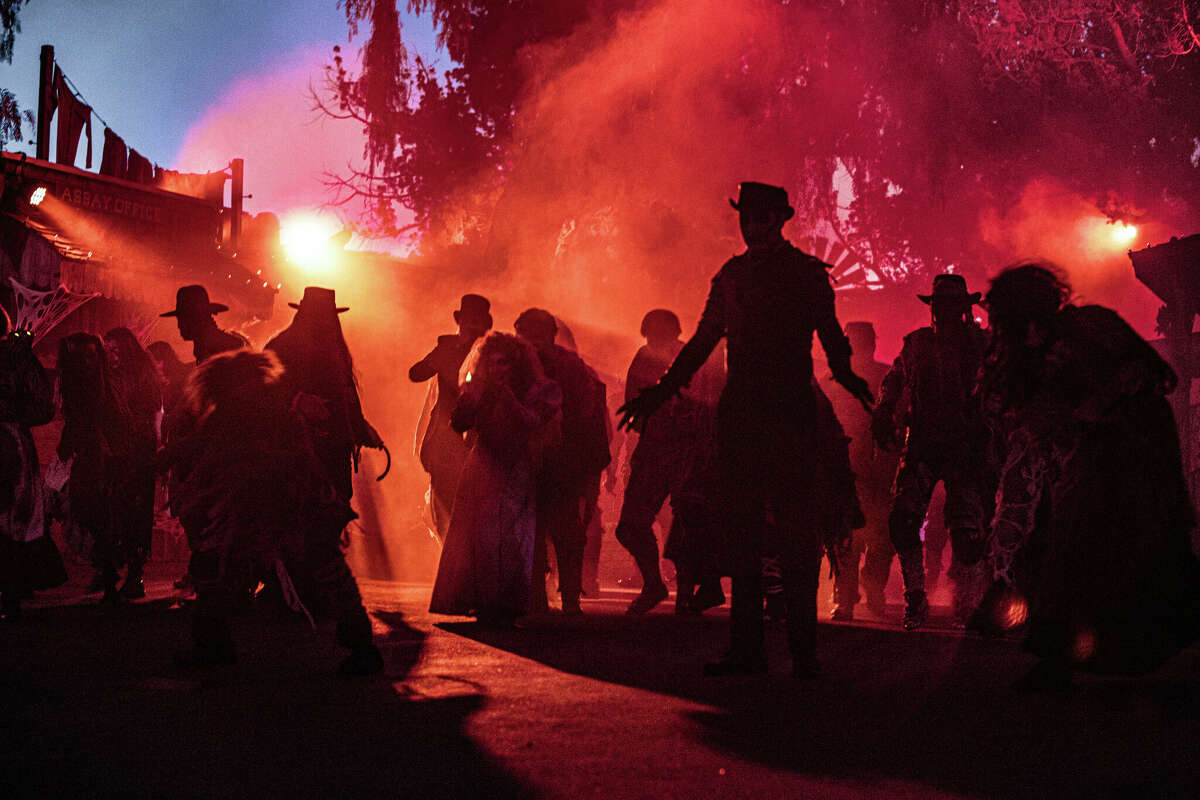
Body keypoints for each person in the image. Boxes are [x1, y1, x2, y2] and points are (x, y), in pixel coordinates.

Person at [620, 181, 873, 677]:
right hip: (745, 415)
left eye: (761, 217)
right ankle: (748, 649)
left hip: (790, 412)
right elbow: (700, 343)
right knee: (742, 535)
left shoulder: (803, 275)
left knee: (796, 533)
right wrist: (660, 391)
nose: (752, 225)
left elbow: (829, 333)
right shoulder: (733, 277)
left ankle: (802, 652)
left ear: (780, 219)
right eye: (747, 218)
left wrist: (845, 376)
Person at [972, 263, 1200, 689]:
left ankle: (1065, 655)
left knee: (1138, 544)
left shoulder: (1091, 324)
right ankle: (1058, 654)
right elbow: (1019, 406)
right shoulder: (1021, 351)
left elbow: (1151, 373)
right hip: (1081, 455)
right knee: (1070, 547)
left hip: (1133, 446)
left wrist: (1100, 403)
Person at [166, 350, 372, 673]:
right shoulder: (256, 406)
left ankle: (213, 646)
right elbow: (212, 445)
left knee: (215, 563)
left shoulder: (254, 408)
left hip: (276, 501)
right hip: (274, 502)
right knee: (319, 562)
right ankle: (361, 643)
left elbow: (222, 448)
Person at [265, 287, 385, 673]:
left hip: (322, 463)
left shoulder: (332, 351)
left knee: (320, 540)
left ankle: (342, 622)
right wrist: (295, 402)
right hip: (296, 461)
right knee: (310, 539)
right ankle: (323, 612)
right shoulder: (284, 347)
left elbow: (345, 397)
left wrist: (358, 427)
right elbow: (265, 393)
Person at [871, 274, 990, 630]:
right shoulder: (918, 344)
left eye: (952, 304)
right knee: (903, 520)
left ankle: (968, 602)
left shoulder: (982, 346)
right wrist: (883, 409)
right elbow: (894, 378)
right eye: (939, 305)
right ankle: (916, 599)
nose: (944, 312)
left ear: (964, 308)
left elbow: (1004, 384)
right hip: (922, 444)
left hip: (965, 446)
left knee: (967, 533)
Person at [429, 333, 562, 622]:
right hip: (483, 461)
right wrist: (467, 406)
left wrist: (508, 399)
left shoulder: (539, 389)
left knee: (509, 533)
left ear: (517, 365)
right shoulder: (481, 388)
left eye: (504, 364)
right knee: (478, 532)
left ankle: (506, 602)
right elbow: (460, 424)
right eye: (492, 364)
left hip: (516, 465)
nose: (498, 370)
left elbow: (532, 422)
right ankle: (480, 599)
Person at [616, 309, 723, 614]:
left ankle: (685, 595)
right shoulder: (645, 357)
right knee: (632, 525)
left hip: (689, 451)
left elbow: (708, 407)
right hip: (658, 450)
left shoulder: (693, 357)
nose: (655, 338)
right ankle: (657, 585)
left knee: (686, 524)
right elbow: (635, 410)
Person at [516, 308, 611, 615]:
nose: (533, 340)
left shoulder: (571, 367)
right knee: (533, 528)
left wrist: (586, 465)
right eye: (527, 334)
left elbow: (588, 416)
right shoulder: (514, 363)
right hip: (527, 458)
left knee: (564, 528)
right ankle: (536, 597)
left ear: (552, 335)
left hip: (563, 459)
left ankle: (569, 597)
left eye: (538, 333)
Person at [826, 322, 897, 620]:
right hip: (851, 466)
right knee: (853, 534)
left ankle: (864, 590)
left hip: (875, 466)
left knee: (877, 532)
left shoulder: (887, 377)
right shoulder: (833, 379)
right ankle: (850, 595)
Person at [410, 294, 494, 539]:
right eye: (467, 320)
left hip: (478, 443)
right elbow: (415, 373)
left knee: (474, 511)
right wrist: (438, 358)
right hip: (445, 442)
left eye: (476, 321)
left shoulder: (492, 353)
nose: (470, 326)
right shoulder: (445, 347)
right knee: (444, 507)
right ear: (459, 321)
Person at [56, 333, 128, 603]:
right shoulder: (76, 384)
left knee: (99, 515)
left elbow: (114, 421)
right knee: (91, 513)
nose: (86, 361)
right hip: (89, 454)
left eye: (91, 355)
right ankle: (107, 572)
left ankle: (109, 575)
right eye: (81, 356)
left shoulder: (104, 384)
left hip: (100, 456)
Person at [0, 321, 63, 620]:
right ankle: (11, 591)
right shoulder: (17, 356)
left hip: (10, 443)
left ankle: (11, 591)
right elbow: (42, 406)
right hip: (12, 440)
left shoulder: (16, 357)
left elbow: (43, 407)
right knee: (13, 517)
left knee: (12, 516)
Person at [103, 328, 162, 599]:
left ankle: (135, 574)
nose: (111, 356)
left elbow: (151, 413)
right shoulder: (110, 377)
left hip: (138, 452)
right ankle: (115, 568)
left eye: (115, 350)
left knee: (136, 514)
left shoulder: (142, 376)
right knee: (117, 512)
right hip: (119, 452)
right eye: (108, 350)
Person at [159, 284, 247, 364]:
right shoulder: (207, 346)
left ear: (195, 319)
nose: (179, 326)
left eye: (182, 320)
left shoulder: (228, 349)